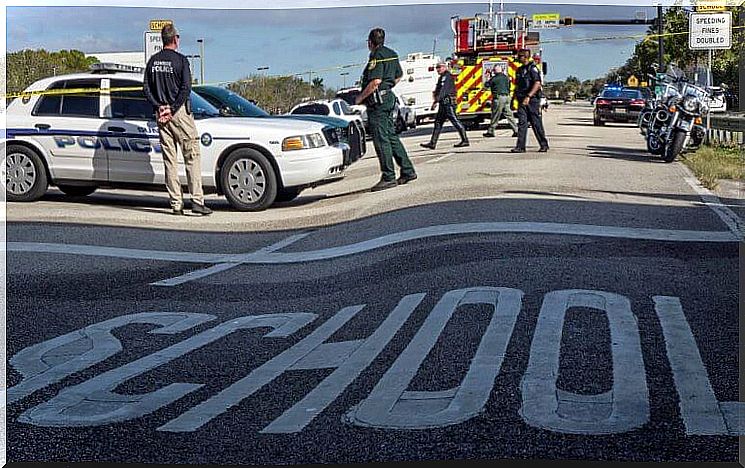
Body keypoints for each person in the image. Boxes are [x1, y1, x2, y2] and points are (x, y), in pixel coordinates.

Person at [144, 24, 212, 215]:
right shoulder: (181, 60)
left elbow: (146, 89)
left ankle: (176, 204)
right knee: (192, 157)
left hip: (161, 115)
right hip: (179, 113)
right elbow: (186, 88)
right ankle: (197, 201)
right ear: (175, 39)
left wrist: (159, 107)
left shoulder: (153, 61)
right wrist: (172, 109)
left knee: (170, 160)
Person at [355, 28, 417, 192]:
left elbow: (375, 81)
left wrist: (360, 98)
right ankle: (407, 170)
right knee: (391, 136)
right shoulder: (392, 53)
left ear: (370, 42)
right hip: (388, 98)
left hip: (378, 103)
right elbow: (398, 75)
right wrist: (387, 87)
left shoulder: (376, 55)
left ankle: (388, 176)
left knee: (381, 140)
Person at [419, 61, 469, 150]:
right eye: (436, 68)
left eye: (439, 67)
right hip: (443, 103)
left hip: (448, 103)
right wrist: (436, 101)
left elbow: (443, 90)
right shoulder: (442, 77)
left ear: (444, 67)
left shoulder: (447, 76)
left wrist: (436, 101)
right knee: (438, 122)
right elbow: (439, 90)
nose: (437, 70)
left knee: (454, 120)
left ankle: (465, 140)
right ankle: (432, 143)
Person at [511, 49, 549, 153]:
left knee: (536, 123)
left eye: (520, 56)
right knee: (522, 123)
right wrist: (513, 99)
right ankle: (520, 147)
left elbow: (537, 83)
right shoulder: (519, 70)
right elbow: (517, 86)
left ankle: (543, 145)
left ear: (525, 57)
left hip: (532, 100)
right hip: (521, 99)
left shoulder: (532, 69)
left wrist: (529, 96)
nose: (518, 58)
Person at [483, 64, 518, 138]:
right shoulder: (506, 78)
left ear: (494, 71)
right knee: (509, 114)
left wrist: (487, 77)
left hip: (499, 98)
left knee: (495, 115)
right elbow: (509, 87)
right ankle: (516, 130)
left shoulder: (494, 78)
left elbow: (486, 85)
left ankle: (491, 131)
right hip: (507, 97)